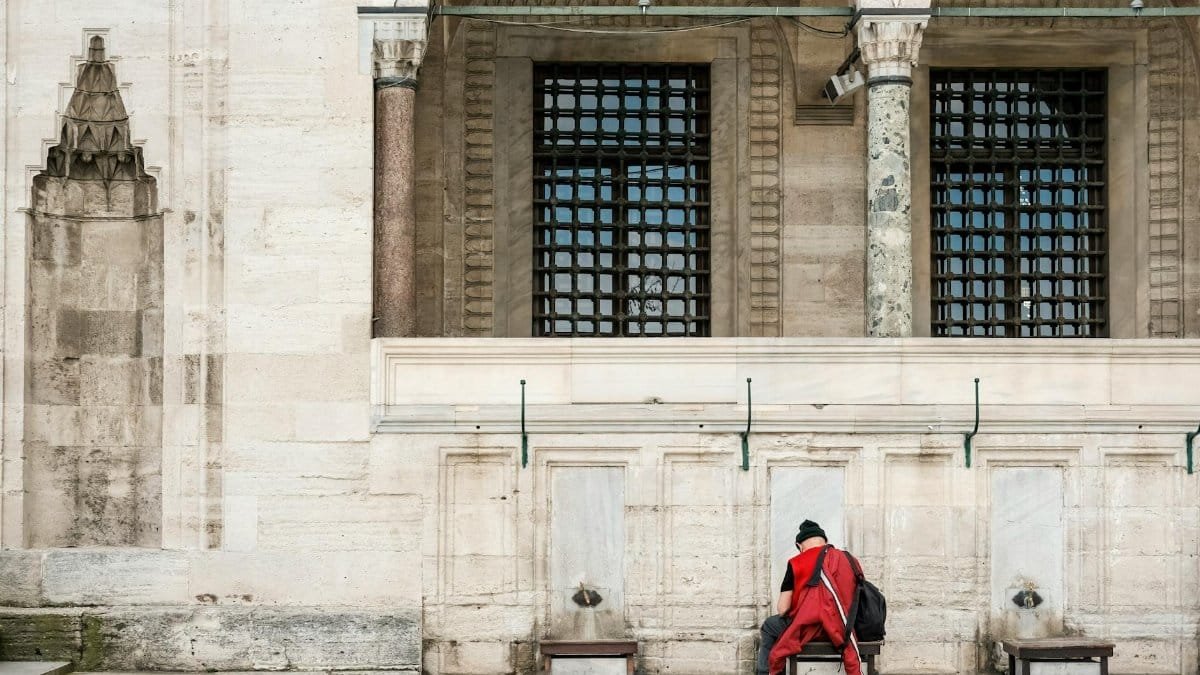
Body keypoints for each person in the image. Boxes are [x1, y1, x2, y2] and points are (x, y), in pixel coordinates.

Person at [756, 520, 862, 675]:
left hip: (809, 629)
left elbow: (783, 609)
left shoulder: (796, 562)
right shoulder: (850, 560)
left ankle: (765, 673)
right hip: (846, 630)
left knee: (769, 625)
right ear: (826, 541)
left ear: (799, 545)